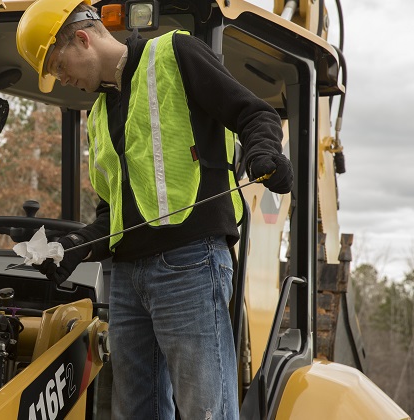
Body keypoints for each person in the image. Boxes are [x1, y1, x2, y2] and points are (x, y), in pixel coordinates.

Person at [16, 1, 293, 419]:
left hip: (190, 264)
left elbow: (254, 113)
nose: (61, 79)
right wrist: (70, 247)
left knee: (206, 410)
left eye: (57, 65)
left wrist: (264, 154)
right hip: (129, 277)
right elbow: (115, 215)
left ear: (82, 38)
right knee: (136, 411)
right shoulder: (98, 115)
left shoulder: (175, 54)